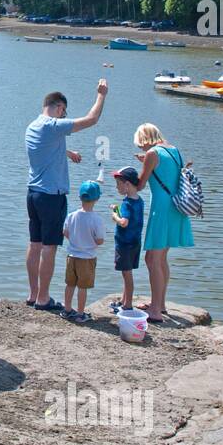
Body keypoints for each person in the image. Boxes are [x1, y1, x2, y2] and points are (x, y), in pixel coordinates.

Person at [24, 80, 108, 312]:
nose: (63, 117)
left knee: (34, 243)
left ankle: (32, 294)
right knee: (49, 247)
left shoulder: (33, 126)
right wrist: (101, 95)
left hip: (33, 194)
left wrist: (68, 153)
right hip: (52, 196)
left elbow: (45, 148)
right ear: (59, 107)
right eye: (64, 112)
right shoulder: (53, 126)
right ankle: (43, 299)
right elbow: (91, 120)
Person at [132, 123, 194, 323]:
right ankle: (160, 303)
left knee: (152, 259)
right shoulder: (174, 150)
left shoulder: (152, 153)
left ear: (144, 139)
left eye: (141, 144)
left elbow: (140, 185)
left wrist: (125, 178)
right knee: (161, 258)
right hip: (176, 207)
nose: (142, 149)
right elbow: (167, 171)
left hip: (162, 209)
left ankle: (155, 310)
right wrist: (147, 161)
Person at [62, 180, 106, 323]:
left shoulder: (71, 215)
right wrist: (91, 242)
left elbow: (65, 232)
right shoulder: (96, 219)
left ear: (80, 197)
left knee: (70, 284)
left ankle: (67, 310)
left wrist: (75, 240)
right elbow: (100, 240)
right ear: (97, 199)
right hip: (87, 258)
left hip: (71, 255)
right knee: (82, 287)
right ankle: (80, 314)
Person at [110, 166, 145, 314]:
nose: (117, 187)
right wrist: (116, 209)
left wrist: (115, 216)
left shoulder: (127, 203)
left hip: (124, 244)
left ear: (127, 184)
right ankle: (124, 301)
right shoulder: (139, 200)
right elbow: (130, 217)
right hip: (135, 242)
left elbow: (124, 222)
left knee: (126, 274)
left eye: (118, 184)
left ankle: (127, 305)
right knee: (127, 272)